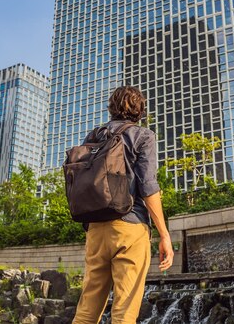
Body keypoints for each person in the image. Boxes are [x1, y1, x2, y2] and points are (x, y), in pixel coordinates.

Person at [72, 85, 173, 324]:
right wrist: (164, 234)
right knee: (124, 312)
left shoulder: (94, 136)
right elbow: (148, 186)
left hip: (96, 229)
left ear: (112, 108)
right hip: (130, 228)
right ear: (140, 111)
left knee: (87, 311)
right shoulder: (143, 135)